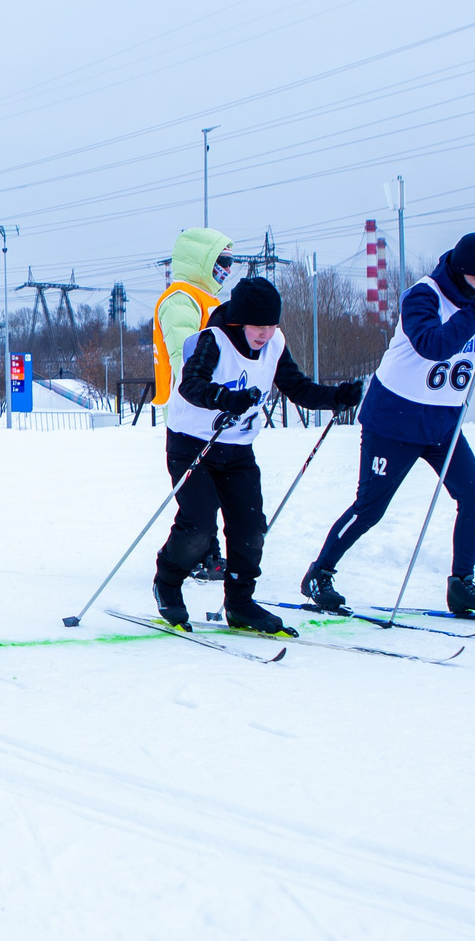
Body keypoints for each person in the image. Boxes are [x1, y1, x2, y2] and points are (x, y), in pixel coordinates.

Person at [300, 233, 475, 620]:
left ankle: (462, 585)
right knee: (370, 509)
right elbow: (433, 344)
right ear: (460, 272)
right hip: (394, 420)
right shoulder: (423, 296)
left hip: (443, 423)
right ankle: (319, 574)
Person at [152, 276, 362, 636]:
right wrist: (223, 398)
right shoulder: (213, 340)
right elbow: (190, 384)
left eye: (271, 325)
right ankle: (168, 583)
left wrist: (334, 397)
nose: (265, 333)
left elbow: (296, 386)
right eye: (258, 326)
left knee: (250, 529)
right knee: (199, 526)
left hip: (237, 449)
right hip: (192, 444)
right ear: (239, 320)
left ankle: (240, 602)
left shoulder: (275, 344)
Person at [149, 227, 233, 572]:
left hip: (212, 407)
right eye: (221, 261)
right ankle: (192, 555)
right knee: (197, 492)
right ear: (202, 260)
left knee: (214, 487)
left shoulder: (210, 301)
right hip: (188, 408)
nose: (226, 269)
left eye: (230, 262)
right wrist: (206, 389)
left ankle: (208, 552)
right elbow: (184, 353)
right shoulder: (181, 300)